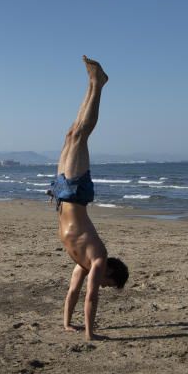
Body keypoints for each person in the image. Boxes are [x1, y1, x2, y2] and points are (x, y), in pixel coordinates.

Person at [49, 55, 129, 341]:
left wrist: (68, 324)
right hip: (75, 193)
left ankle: (95, 82)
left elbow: (73, 292)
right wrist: (90, 334)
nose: (102, 286)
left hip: (63, 192)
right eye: (108, 284)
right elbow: (90, 297)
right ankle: (97, 83)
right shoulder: (98, 258)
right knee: (80, 136)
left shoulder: (83, 264)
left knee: (71, 134)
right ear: (110, 272)